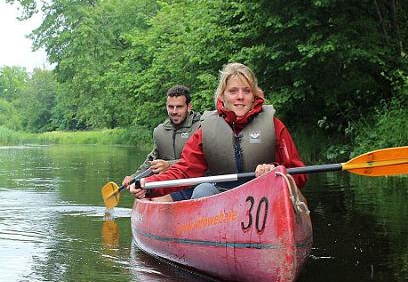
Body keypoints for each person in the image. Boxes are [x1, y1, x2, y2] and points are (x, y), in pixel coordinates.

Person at [129, 62, 307, 200]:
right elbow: (183, 172)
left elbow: (299, 175)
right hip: (220, 200)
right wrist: (148, 184)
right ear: (222, 96)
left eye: (246, 91)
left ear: (254, 96)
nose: (240, 96)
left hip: (264, 196)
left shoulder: (275, 126)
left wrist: (276, 171)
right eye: (233, 91)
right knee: (202, 189)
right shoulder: (206, 130)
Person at [122, 85, 203, 201]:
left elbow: (202, 161)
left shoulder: (202, 127)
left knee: (158, 199)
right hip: (168, 185)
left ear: (189, 106)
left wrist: (169, 165)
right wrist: (134, 177)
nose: (174, 111)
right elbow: (152, 160)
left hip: (194, 185)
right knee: (142, 195)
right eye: (171, 107)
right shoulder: (160, 131)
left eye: (179, 107)